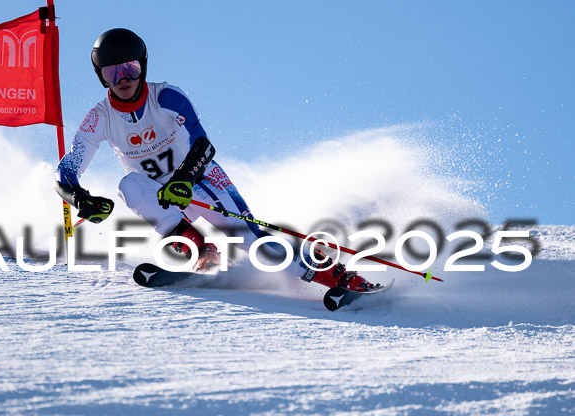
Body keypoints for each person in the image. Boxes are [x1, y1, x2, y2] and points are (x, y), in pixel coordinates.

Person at [54, 28, 373, 291]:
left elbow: (202, 144)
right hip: (161, 193)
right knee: (129, 186)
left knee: (250, 240)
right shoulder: (100, 118)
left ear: (143, 67)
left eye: (131, 68)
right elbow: (65, 172)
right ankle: (197, 247)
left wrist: (184, 179)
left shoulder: (166, 97)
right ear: (102, 77)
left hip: (200, 178)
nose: (123, 78)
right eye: (113, 73)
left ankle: (338, 276)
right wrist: (80, 198)